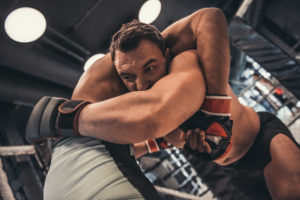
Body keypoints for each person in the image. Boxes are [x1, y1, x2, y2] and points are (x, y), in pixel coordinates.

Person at [26, 8, 300, 200]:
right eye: (129, 77)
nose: (141, 84)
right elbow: (156, 138)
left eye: (150, 68)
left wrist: (217, 109)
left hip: (262, 141)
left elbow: (211, 17)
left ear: (167, 54)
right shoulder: (146, 100)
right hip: (231, 169)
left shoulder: (187, 64)